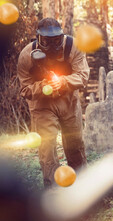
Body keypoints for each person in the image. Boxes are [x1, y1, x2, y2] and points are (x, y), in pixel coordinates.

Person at [17, 18, 90, 187]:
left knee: (75, 143)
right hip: (41, 104)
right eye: (47, 41)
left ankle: (82, 185)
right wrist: (43, 86)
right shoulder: (26, 55)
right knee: (47, 147)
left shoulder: (73, 47)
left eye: (56, 40)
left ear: (62, 36)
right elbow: (25, 90)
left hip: (68, 100)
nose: (52, 45)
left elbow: (83, 76)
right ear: (38, 38)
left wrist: (63, 82)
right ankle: (53, 188)